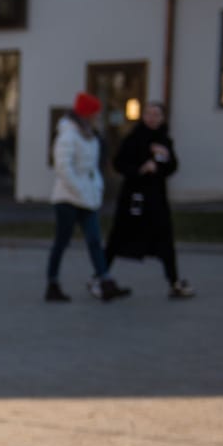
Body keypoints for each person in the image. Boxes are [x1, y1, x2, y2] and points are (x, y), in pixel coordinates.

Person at [46, 92, 130, 303]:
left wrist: (95, 188)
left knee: (94, 240)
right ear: (87, 114)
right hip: (67, 199)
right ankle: (52, 283)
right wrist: (80, 191)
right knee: (61, 242)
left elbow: (92, 168)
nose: (98, 118)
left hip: (88, 197)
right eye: (96, 114)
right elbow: (64, 169)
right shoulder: (68, 136)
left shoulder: (91, 136)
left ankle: (105, 280)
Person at [108, 102, 194, 299]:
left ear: (162, 118)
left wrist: (163, 161)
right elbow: (119, 163)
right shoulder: (133, 138)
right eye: (149, 114)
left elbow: (172, 167)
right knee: (119, 236)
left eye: (157, 115)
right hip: (134, 198)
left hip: (156, 199)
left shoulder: (165, 140)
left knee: (165, 238)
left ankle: (174, 281)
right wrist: (140, 168)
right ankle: (100, 276)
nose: (152, 118)